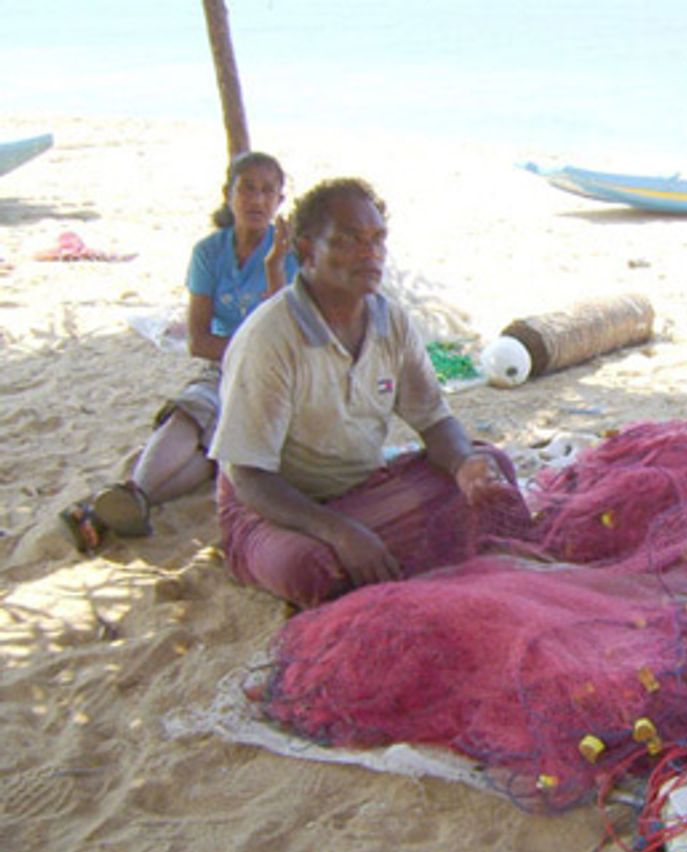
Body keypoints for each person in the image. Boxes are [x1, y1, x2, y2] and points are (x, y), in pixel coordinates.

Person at [209, 177, 525, 608]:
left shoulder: (390, 321)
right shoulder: (270, 337)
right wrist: (338, 531)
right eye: (349, 240)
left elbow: (433, 419)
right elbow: (248, 476)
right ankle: (367, 547)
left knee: (492, 468)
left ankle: (376, 546)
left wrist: (465, 464)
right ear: (306, 251)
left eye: (377, 239)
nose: (369, 253)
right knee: (311, 568)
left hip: (365, 492)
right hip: (277, 512)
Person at [62, 150, 298, 552]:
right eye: (247, 189)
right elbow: (198, 340)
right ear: (228, 195)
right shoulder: (209, 253)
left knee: (217, 449)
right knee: (189, 413)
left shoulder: (290, 256)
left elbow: (285, 339)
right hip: (224, 368)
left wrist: (275, 270)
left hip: (273, 380)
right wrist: (244, 351)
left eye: (267, 191)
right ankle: (135, 497)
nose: (257, 200)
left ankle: (111, 509)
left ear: (279, 201)